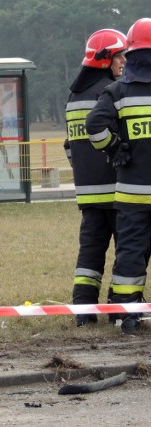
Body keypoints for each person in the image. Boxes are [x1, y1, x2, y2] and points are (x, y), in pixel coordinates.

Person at [86, 18, 151, 334]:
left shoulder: (117, 91)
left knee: (130, 256)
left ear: (131, 53)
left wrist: (114, 148)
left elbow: (94, 127)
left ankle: (128, 317)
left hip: (131, 196)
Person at [63, 29, 127, 327]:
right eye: (119, 56)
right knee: (127, 252)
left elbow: (69, 146)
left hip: (88, 194)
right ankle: (119, 309)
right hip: (115, 190)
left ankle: (84, 313)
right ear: (106, 60)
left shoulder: (73, 95)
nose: (123, 62)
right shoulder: (111, 92)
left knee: (89, 254)